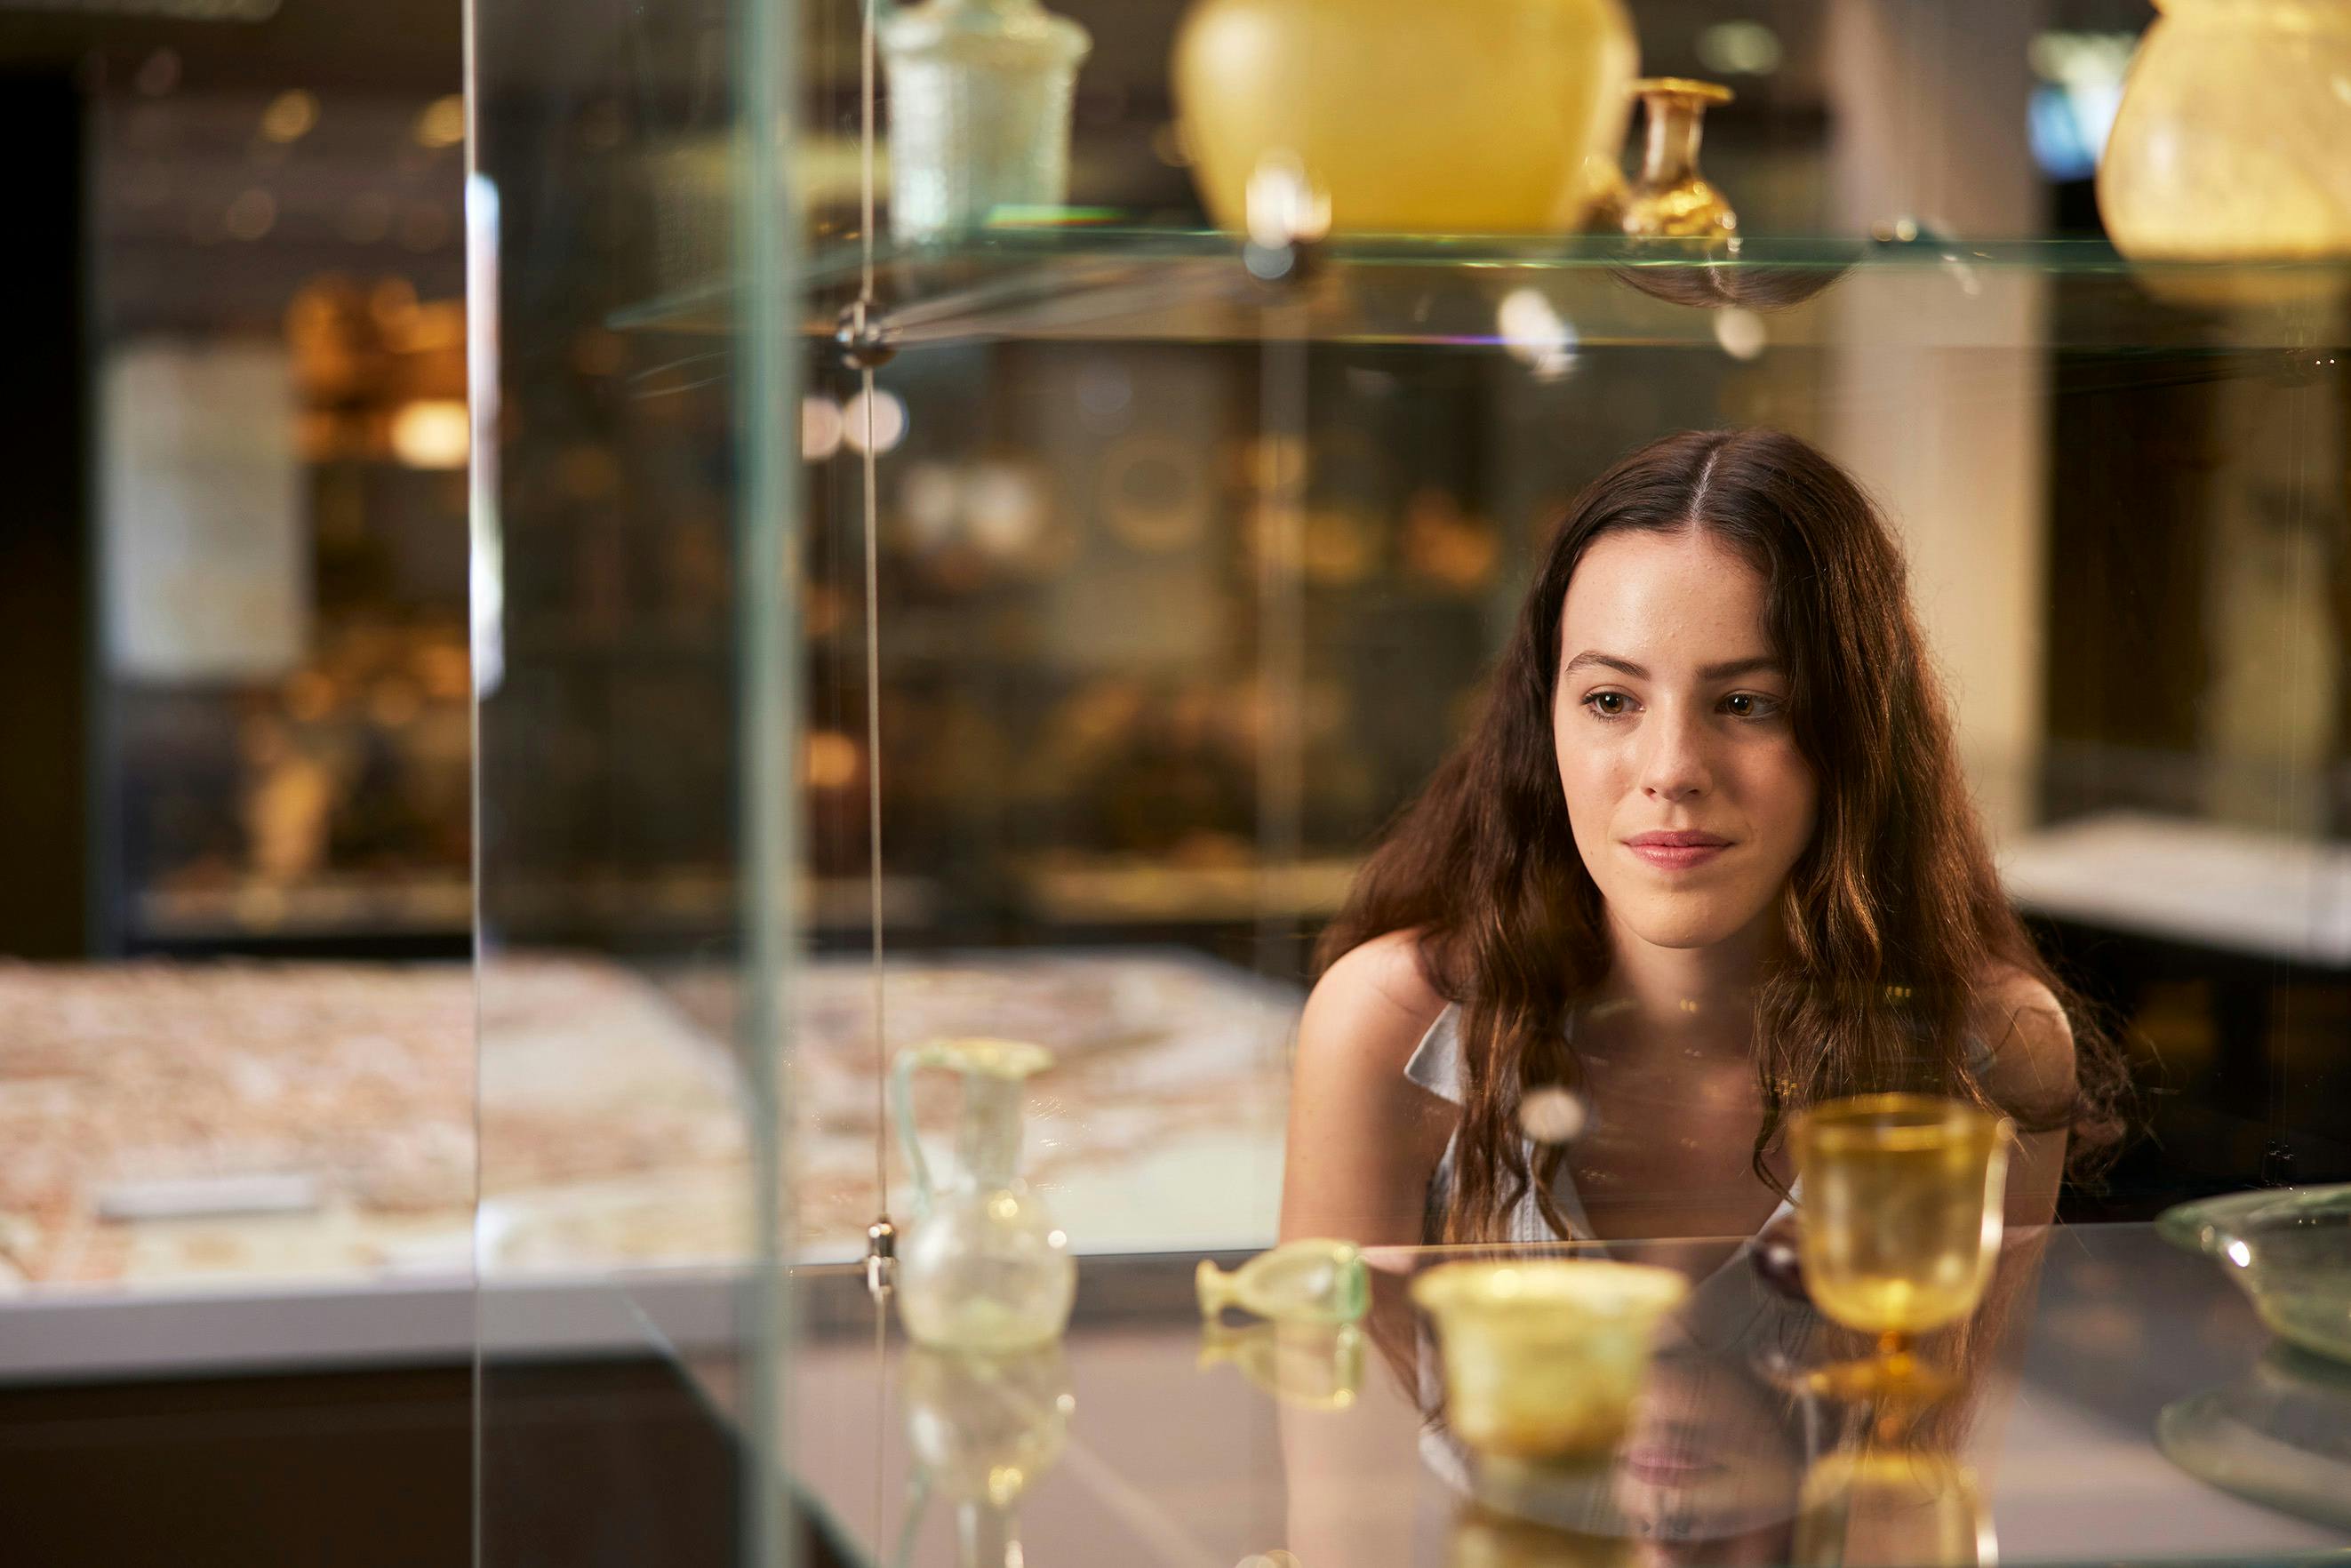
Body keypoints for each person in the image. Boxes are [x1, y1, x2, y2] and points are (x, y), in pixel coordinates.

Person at [1279, 428, 2123, 1253]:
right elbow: (1327, 1393)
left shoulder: (1990, 1046)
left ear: (1857, 735)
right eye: (1611, 700)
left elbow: (1959, 1396)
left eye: (1746, 704)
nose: (1672, 770)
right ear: (1544, 721)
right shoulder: (1390, 1028)